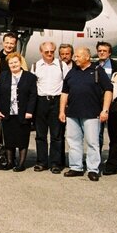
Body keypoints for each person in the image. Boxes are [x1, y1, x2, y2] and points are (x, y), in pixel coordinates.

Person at [59, 47, 112, 181]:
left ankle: (93, 169)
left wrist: (105, 110)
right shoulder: (72, 72)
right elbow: (65, 92)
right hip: (72, 113)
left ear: (87, 57)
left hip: (92, 113)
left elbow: (108, 90)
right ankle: (76, 167)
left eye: (78, 56)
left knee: (92, 142)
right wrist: (61, 111)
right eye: (75, 56)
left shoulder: (97, 71)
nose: (75, 59)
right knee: (73, 141)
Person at [0, 52, 37, 171]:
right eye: (11, 63)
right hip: (7, 112)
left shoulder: (30, 77)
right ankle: (9, 162)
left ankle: (21, 163)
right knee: (9, 139)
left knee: (23, 138)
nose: (13, 65)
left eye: (15, 62)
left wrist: (30, 111)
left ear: (20, 62)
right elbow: (0, 94)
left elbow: (33, 95)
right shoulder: (3, 76)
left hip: (23, 112)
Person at [32, 41, 67, 173]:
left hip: (56, 101)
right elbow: (33, 86)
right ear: (41, 52)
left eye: (51, 51)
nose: (49, 54)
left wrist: (64, 107)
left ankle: (55, 163)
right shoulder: (35, 66)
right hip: (41, 102)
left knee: (56, 135)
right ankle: (41, 162)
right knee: (40, 134)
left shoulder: (61, 65)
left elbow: (66, 86)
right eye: (46, 52)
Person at [94, 41, 117, 162]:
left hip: (114, 104)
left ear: (109, 53)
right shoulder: (93, 66)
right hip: (98, 103)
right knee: (97, 134)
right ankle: (96, 158)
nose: (102, 53)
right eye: (100, 51)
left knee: (114, 134)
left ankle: (113, 161)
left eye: (104, 51)